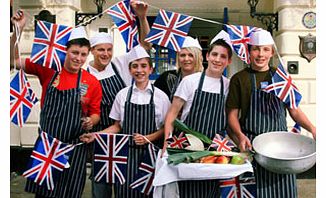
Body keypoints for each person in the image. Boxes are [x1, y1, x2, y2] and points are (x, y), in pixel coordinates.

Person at [10, 10, 102, 198]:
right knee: (44, 194)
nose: (79, 58)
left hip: (74, 150)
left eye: (83, 54)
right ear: (65, 50)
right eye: (75, 52)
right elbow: (12, 60)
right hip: (47, 147)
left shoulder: (92, 82)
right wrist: (17, 31)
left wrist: (91, 122)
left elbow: (95, 113)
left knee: (70, 194)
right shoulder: (48, 70)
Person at [226, 29, 316, 198]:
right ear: (248, 51)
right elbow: (231, 115)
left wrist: (313, 128)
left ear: (272, 52)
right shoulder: (239, 79)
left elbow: (294, 110)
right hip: (253, 148)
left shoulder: (281, 77)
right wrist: (239, 135)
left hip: (284, 150)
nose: (260, 54)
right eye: (256, 49)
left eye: (266, 49)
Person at [80, 45, 171, 198]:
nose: (139, 70)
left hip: (150, 156)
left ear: (151, 69)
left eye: (143, 66)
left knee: (147, 193)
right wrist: (96, 135)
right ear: (129, 70)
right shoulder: (122, 95)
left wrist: (149, 138)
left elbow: (166, 128)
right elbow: (117, 126)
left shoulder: (161, 97)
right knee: (124, 193)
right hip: (124, 157)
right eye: (135, 66)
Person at [85, 2, 151, 197]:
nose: (105, 54)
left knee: (125, 184)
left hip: (123, 133)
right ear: (92, 51)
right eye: (100, 50)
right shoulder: (85, 73)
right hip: (99, 135)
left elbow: (145, 45)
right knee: (101, 184)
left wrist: (142, 17)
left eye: (109, 49)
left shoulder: (120, 65)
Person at [163, 30, 233, 198]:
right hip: (189, 148)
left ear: (229, 61)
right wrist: (167, 142)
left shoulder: (229, 85)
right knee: (188, 191)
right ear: (207, 56)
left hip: (215, 150)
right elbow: (172, 115)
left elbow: (230, 118)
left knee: (212, 191)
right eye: (214, 54)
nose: (218, 59)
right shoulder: (190, 81)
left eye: (223, 57)